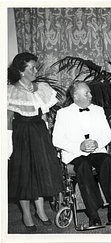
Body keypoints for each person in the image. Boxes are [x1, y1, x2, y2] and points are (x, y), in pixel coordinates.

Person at [52, 81, 111, 227]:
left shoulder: (98, 110)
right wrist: (79, 146)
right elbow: (57, 140)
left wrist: (97, 143)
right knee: (83, 166)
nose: (91, 95)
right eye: (86, 93)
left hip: (96, 151)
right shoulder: (63, 114)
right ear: (75, 96)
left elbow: (107, 134)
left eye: (90, 92)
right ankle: (93, 214)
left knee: (108, 161)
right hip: (74, 154)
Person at [7, 52, 64, 231]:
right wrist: (8, 142)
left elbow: (45, 113)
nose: (35, 70)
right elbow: (8, 118)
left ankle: (40, 211)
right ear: (22, 71)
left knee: (40, 171)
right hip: (21, 134)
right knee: (24, 174)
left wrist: (47, 133)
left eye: (35, 66)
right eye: (31, 67)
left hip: (40, 132)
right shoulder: (11, 91)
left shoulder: (41, 87)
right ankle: (26, 214)